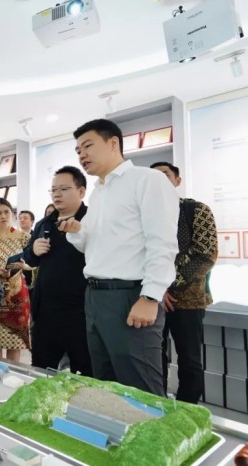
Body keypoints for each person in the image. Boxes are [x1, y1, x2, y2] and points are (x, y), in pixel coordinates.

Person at [59, 119, 179, 396]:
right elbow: (90, 245)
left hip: (130, 296)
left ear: (113, 143)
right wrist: (77, 231)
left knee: (140, 389)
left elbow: (162, 242)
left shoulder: (147, 180)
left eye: (88, 146)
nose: (82, 155)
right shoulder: (99, 192)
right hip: (95, 297)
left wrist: (150, 296)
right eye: (78, 150)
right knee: (106, 386)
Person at [151, 161, 218, 403]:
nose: (159, 181)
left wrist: (166, 284)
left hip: (188, 300)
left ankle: (186, 410)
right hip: (151, 300)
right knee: (154, 358)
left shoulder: (196, 210)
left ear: (177, 181)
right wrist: (157, 290)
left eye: (165, 175)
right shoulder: (144, 215)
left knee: (190, 361)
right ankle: (156, 406)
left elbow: (205, 254)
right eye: (153, 177)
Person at [23, 166, 92, 376]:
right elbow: (29, 259)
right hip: (46, 312)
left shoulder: (91, 219)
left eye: (63, 189)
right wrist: (33, 250)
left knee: (85, 373)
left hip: (82, 312)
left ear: (81, 191)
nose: (57, 194)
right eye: (53, 190)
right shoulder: (45, 223)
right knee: (41, 370)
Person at [0, 198, 30, 363]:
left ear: (12, 214)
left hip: (17, 293)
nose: (3, 216)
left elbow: (33, 264)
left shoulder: (24, 237)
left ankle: (13, 374)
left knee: (14, 343)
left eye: (6, 212)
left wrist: (22, 266)